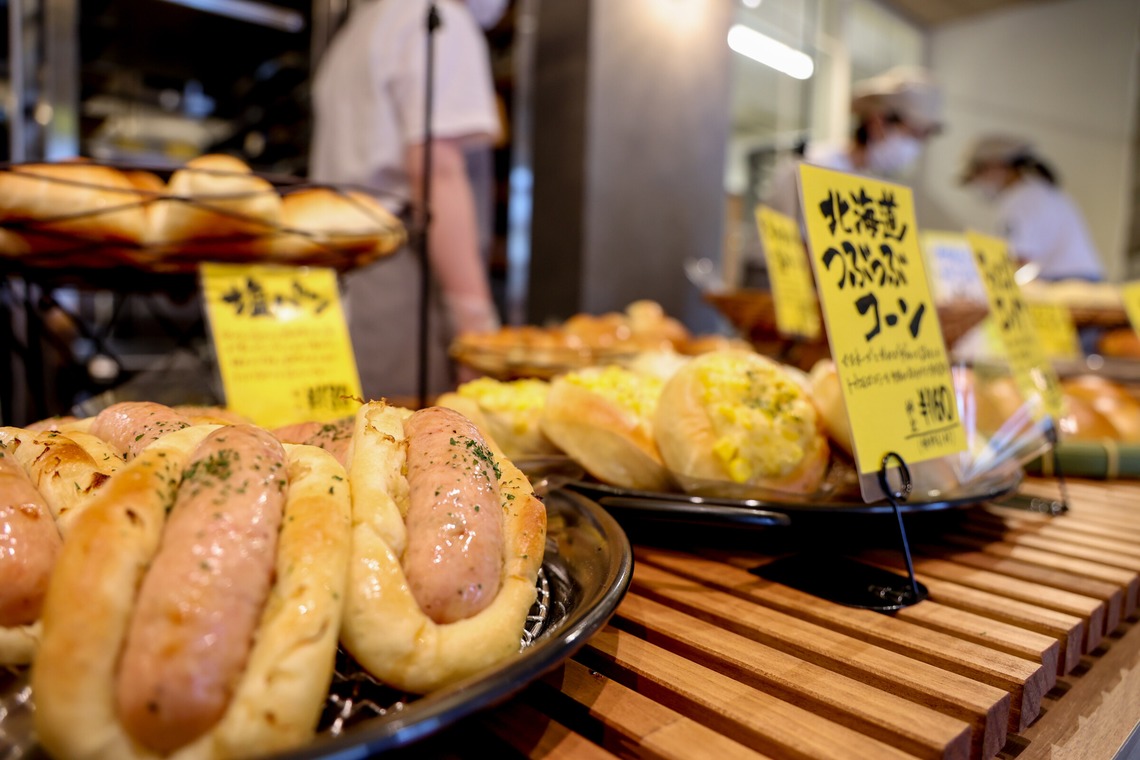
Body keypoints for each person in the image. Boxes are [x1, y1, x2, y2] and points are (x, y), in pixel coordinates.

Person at [310, 0, 506, 399]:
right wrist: (476, 326)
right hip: (401, 280)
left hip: (345, 276)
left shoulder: (362, 26)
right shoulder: (439, 19)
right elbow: (437, 171)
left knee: (352, 422)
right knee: (400, 425)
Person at [763, 65, 944, 226]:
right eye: (912, 134)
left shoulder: (868, 183)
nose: (914, 147)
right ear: (878, 122)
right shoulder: (817, 166)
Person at [959, 134, 1104, 281]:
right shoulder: (1038, 191)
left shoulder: (1021, 199)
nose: (978, 183)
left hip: (1068, 281)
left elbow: (1018, 259)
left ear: (997, 165)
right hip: (1081, 277)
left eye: (978, 173)